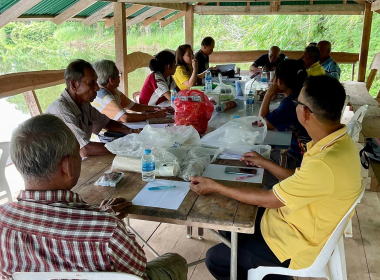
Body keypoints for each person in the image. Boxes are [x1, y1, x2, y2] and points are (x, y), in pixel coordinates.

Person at [189, 75, 363, 280]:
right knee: (229, 226)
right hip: (293, 221)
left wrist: (216, 187)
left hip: (294, 245)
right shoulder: (337, 144)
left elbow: (272, 199)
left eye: (297, 103)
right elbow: (300, 179)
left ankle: (273, 275)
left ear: (305, 113)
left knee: (215, 258)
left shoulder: (325, 164)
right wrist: (265, 163)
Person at [0, 114, 188, 280]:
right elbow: (137, 271)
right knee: (175, 260)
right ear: (66, 166)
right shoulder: (107, 231)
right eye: (77, 154)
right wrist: (104, 219)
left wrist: (99, 214)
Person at [46, 59, 139, 157]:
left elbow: (107, 123)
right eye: (92, 83)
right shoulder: (61, 110)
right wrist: (127, 147)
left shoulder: (84, 104)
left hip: (74, 160)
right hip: (54, 167)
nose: (97, 88)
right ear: (74, 85)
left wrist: (133, 132)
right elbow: (84, 149)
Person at [258, 59, 311, 166]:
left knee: (256, 156)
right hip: (312, 153)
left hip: (299, 158)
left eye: (274, 77)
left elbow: (261, 123)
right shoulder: (303, 94)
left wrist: (268, 94)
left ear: (279, 81)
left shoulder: (290, 104)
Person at [92, 59, 170, 121]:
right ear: (111, 80)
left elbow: (135, 106)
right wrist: (155, 115)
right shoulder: (105, 97)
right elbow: (125, 118)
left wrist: (159, 108)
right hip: (107, 135)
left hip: (119, 128)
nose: (120, 77)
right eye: (118, 74)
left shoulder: (113, 91)